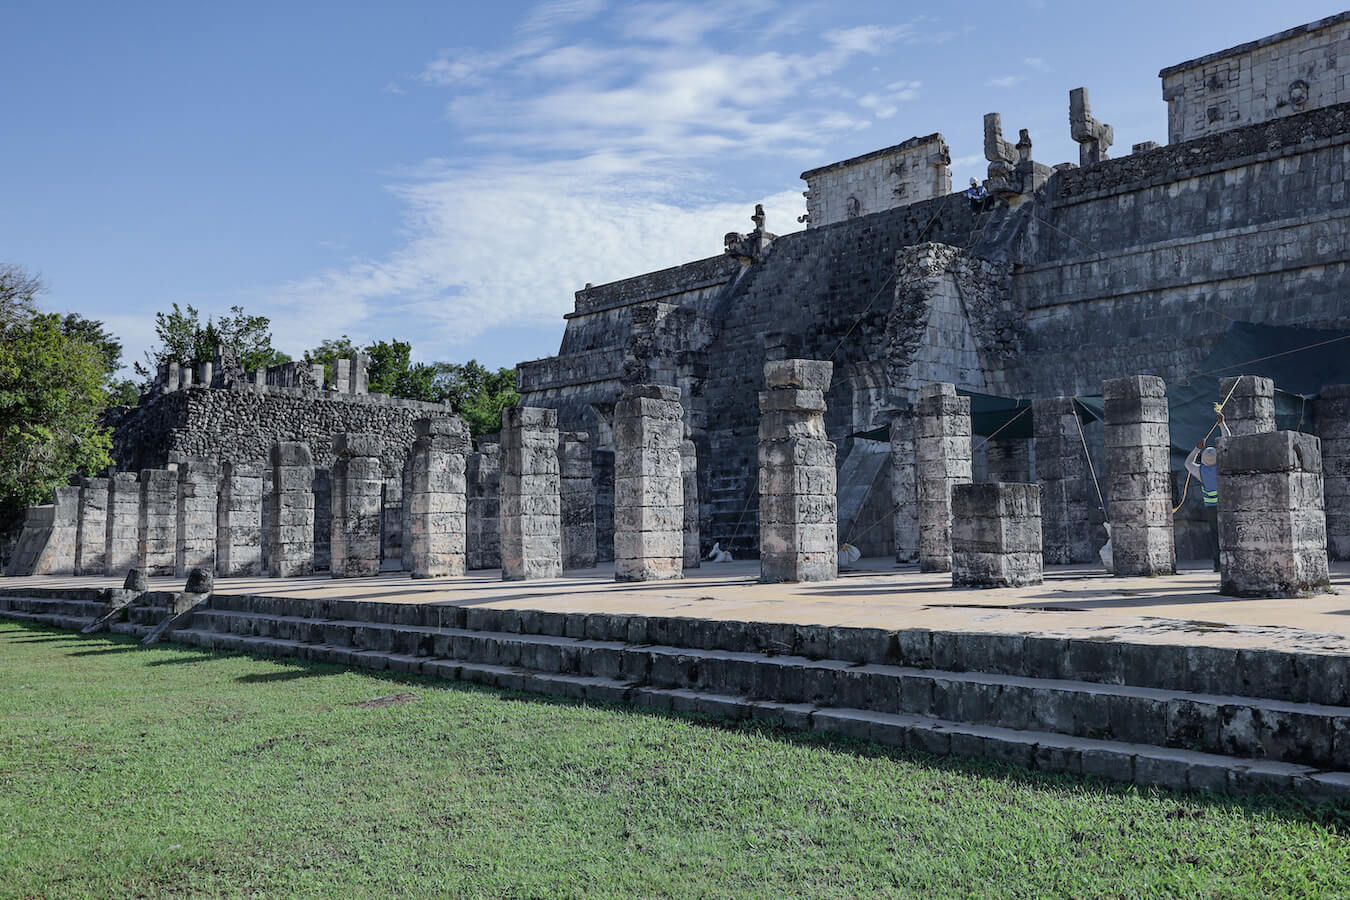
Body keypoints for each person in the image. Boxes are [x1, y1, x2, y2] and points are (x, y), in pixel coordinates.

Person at [1185, 414, 1232, 572]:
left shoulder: (1201, 471)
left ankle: (1218, 565)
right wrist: (1222, 424)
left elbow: (1187, 463)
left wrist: (1197, 449)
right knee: (1229, 534)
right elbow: (1229, 441)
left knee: (1215, 536)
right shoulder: (1224, 466)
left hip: (1211, 508)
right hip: (1226, 506)